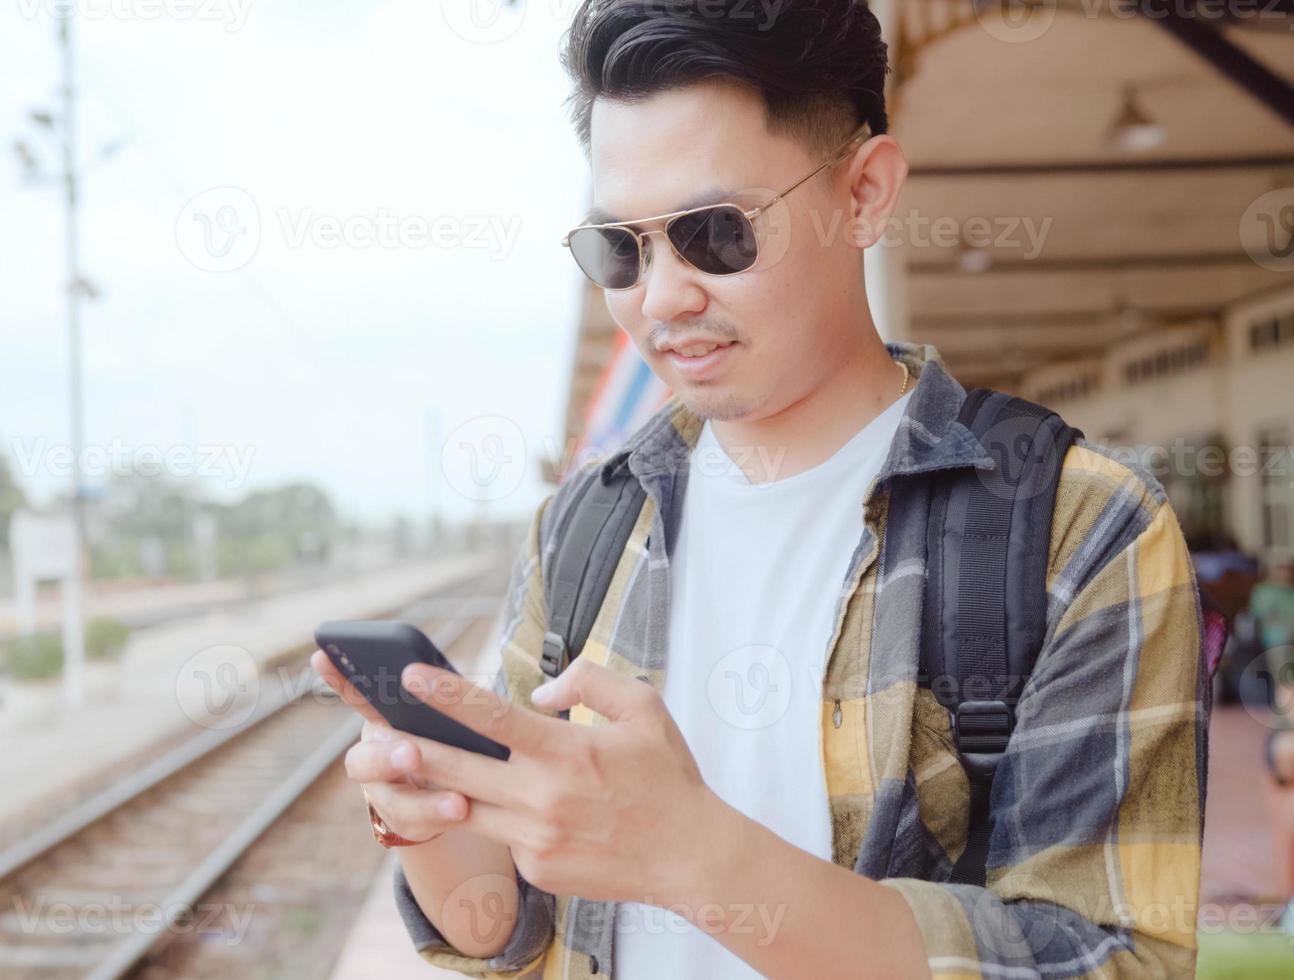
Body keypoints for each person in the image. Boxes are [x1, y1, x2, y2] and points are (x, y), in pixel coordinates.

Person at [311, 2, 1210, 976]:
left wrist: (691, 852)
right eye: (619, 246)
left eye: (712, 232)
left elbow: (1114, 958)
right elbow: (505, 931)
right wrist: (432, 820)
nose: (657, 299)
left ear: (863, 193)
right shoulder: (583, 523)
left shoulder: (1076, 528)